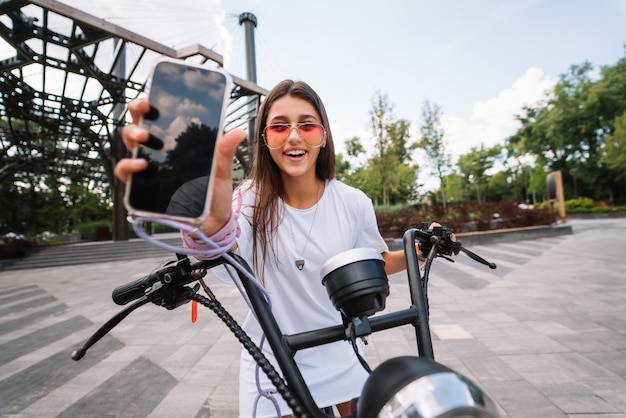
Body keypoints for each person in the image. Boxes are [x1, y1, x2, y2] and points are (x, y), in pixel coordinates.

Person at [115, 80, 426, 418]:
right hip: (275, 354)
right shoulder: (248, 200)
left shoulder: (353, 202)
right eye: (279, 127)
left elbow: (376, 261)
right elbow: (224, 248)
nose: (294, 136)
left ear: (323, 135)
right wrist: (207, 224)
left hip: (337, 343)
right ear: (264, 138)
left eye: (307, 125)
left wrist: (419, 251)